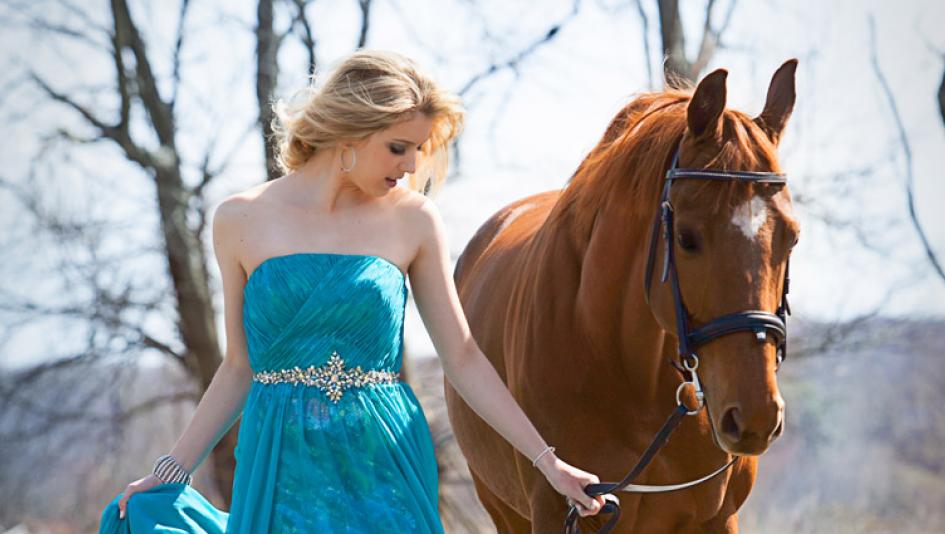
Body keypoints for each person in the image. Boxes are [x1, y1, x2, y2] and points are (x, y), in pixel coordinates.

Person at [99, 49, 605, 533]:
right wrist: (169, 473)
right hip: (278, 458)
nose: (410, 166)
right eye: (398, 147)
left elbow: (464, 357)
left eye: (418, 150)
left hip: (381, 455)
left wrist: (548, 462)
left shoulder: (414, 220)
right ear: (350, 129)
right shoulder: (241, 219)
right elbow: (239, 368)